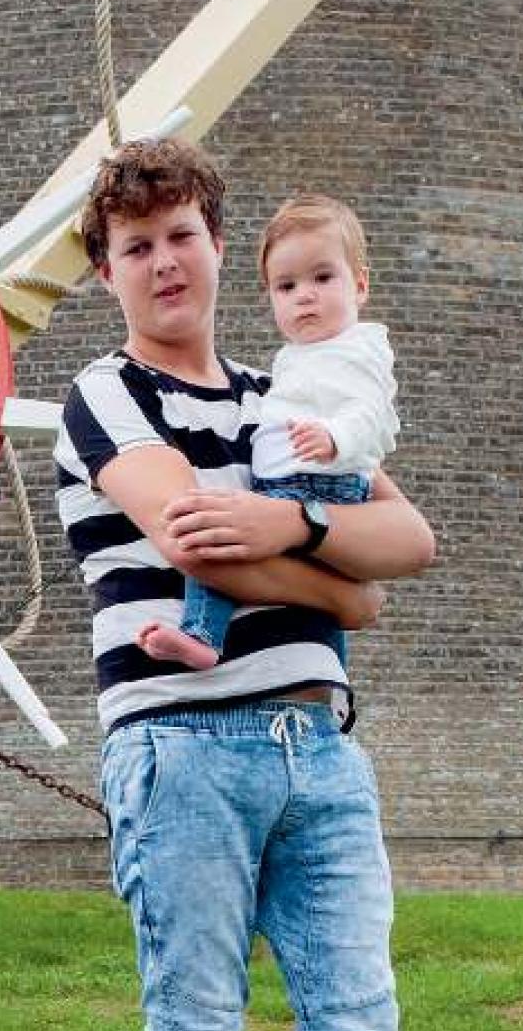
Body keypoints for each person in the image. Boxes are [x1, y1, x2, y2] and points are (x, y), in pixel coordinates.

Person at [55, 136, 510, 1031]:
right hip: (180, 747)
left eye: (181, 236)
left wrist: (295, 533)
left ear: (216, 244)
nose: (163, 263)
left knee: (358, 1030)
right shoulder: (105, 394)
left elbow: (403, 550)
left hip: (321, 748)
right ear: (109, 272)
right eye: (134, 247)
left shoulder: (291, 390)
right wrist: (321, 559)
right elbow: (192, 530)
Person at [140, 190, 398, 673]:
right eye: (286, 286)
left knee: (222, 542)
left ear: (360, 285)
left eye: (323, 278)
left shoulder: (355, 352)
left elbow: (372, 415)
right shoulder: (299, 360)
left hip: (317, 484)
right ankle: (309, 666)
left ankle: (203, 633)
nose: (305, 295)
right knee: (299, 589)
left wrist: (336, 438)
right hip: (292, 483)